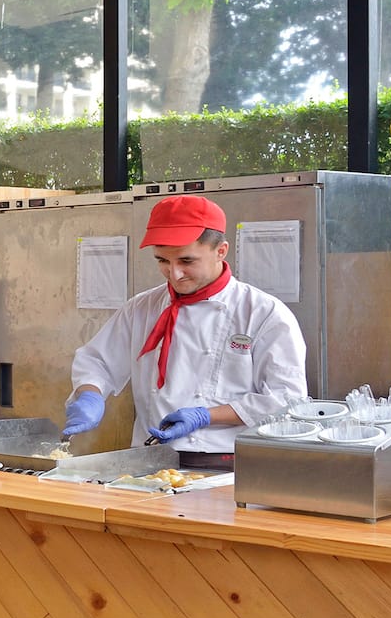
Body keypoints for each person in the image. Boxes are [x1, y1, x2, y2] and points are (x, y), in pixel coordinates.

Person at [62, 194, 307, 468]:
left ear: (221, 251)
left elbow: (286, 399)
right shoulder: (142, 308)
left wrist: (206, 415)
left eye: (186, 261)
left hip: (231, 465)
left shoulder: (263, 313)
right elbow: (98, 361)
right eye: (163, 261)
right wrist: (90, 394)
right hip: (149, 461)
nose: (174, 274)